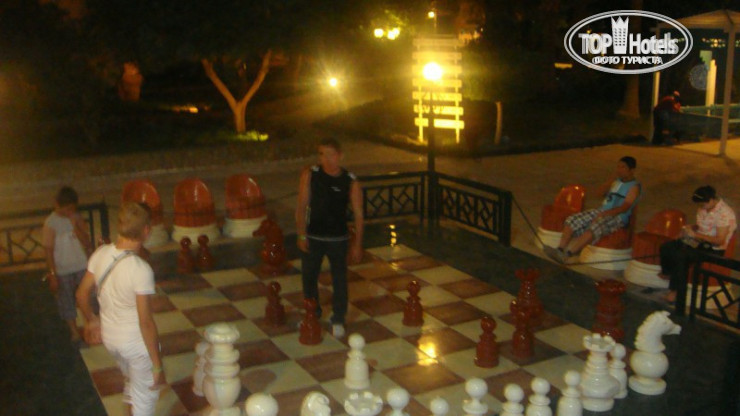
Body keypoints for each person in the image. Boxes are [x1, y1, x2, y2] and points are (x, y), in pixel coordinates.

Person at [76, 202, 165, 416]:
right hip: (135, 344)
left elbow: (81, 294)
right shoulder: (140, 269)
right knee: (145, 399)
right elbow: (146, 323)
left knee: (132, 383)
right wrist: (157, 365)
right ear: (146, 231)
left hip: (111, 339)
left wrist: (92, 320)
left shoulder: (101, 253)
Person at [295, 138, 364, 338]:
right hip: (313, 236)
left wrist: (357, 244)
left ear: (340, 156)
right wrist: (301, 234)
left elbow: (359, 214)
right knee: (309, 277)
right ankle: (312, 314)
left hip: (338, 239)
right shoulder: (311, 175)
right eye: (322, 154)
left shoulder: (350, 180)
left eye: (331, 154)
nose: (326, 159)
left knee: (339, 279)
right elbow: (301, 206)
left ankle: (338, 318)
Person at [544, 156, 641, 263]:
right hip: (602, 210)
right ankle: (560, 249)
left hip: (617, 217)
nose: (619, 170)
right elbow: (598, 193)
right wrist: (610, 182)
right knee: (572, 220)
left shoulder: (634, 187)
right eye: (618, 167)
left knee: (595, 227)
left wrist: (605, 214)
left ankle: (568, 254)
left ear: (632, 170)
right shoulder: (616, 182)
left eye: (623, 167)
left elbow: (624, 207)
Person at [659, 186, 736, 303]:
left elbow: (719, 240)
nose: (701, 207)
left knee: (681, 255)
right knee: (668, 246)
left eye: (703, 204)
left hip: (712, 248)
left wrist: (695, 235)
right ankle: (668, 273)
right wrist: (690, 228)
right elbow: (701, 226)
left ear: (711, 199)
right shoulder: (704, 208)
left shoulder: (724, 213)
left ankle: (675, 292)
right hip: (699, 242)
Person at [43, 186, 92, 346]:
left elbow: (87, 242)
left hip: (81, 266)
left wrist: (76, 227)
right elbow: (48, 250)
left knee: (87, 297)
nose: (69, 212)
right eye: (67, 208)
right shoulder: (50, 223)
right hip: (63, 270)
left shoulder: (76, 218)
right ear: (57, 205)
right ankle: (74, 331)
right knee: (66, 300)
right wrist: (52, 274)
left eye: (72, 208)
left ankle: (89, 326)